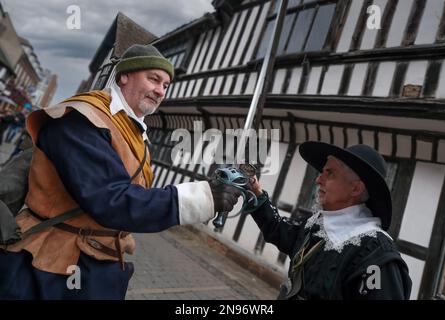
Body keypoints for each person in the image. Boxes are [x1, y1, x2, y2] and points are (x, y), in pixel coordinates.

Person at [0, 44, 240, 300]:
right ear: (124, 75)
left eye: (166, 85)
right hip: (48, 268)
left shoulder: (131, 130)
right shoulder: (83, 120)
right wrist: (202, 198)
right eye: (154, 79)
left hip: (95, 265)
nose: (160, 90)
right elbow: (111, 199)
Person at [247, 142, 412, 300]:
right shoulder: (317, 225)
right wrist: (256, 192)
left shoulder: (376, 255)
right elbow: (280, 231)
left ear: (356, 189)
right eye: (322, 172)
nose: (318, 180)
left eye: (330, 173)